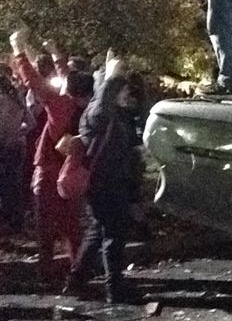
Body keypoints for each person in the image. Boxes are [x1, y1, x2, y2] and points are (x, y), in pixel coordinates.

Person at [9, 32, 94, 285]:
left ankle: (46, 274)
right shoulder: (88, 107)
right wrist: (56, 54)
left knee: (45, 228)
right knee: (72, 226)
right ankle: (78, 271)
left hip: (48, 170)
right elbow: (70, 80)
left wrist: (19, 50)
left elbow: (33, 81)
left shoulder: (61, 106)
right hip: (72, 171)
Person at [64, 56, 143, 303]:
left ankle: (76, 280)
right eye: (122, 89)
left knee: (98, 232)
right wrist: (112, 76)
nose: (126, 93)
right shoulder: (98, 112)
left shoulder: (115, 114)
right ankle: (114, 288)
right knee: (113, 234)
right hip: (104, 184)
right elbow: (104, 104)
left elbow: (138, 110)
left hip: (110, 182)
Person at [0, 70, 32, 233]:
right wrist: (19, 132)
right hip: (17, 146)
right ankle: (16, 220)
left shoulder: (2, 102)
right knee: (14, 184)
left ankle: (7, 219)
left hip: (4, 146)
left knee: (5, 184)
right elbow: (31, 123)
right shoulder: (17, 100)